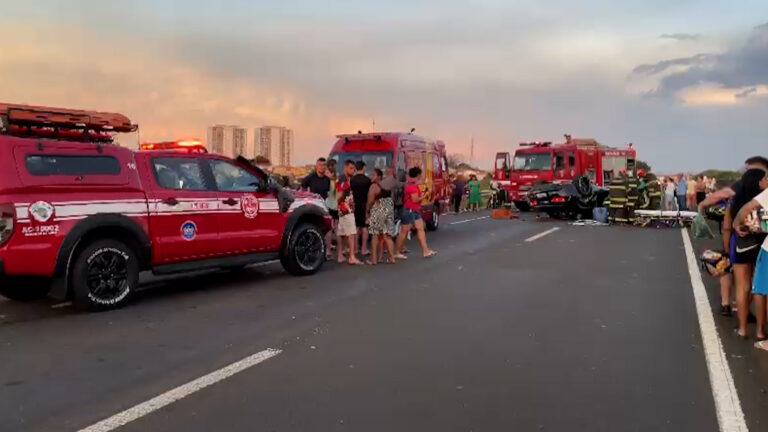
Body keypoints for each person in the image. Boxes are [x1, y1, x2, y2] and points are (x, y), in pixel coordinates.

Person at [728, 169, 767, 338]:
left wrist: (736, 226)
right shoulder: (763, 195)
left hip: (743, 243)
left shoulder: (740, 197)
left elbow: (729, 223)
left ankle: (743, 328)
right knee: (759, 286)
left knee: (743, 286)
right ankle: (760, 329)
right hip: (761, 242)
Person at [396, 167, 436, 258]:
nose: (421, 176)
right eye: (420, 175)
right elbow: (415, 200)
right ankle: (397, 252)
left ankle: (426, 251)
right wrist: (424, 196)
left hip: (414, 210)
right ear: (417, 175)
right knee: (404, 231)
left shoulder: (411, 184)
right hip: (409, 210)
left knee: (420, 229)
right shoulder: (412, 186)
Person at [366, 169, 397, 265]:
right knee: (387, 235)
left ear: (379, 176)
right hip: (388, 210)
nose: (371, 176)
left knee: (375, 235)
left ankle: (374, 260)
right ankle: (392, 258)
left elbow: (370, 201)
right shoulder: (388, 186)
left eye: (373, 174)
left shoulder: (374, 186)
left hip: (377, 210)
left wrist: (367, 211)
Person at [336, 160, 362, 265]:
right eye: (351, 168)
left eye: (354, 168)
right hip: (346, 210)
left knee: (342, 233)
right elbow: (339, 194)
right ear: (345, 167)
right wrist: (343, 205)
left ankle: (340, 256)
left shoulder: (347, 178)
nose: (353, 170)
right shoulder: (343, 178)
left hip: (344, 209)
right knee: (351, 233)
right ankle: (352, 257)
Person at [350, 161, 372, 256]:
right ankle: (364, 249)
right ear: (363, 168)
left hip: (354, 205)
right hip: (365, 205)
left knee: (356, 227)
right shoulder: (368, 180)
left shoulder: (352, 180)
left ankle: (355, 249)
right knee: (365, 227)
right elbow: (370, 194)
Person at [324, 165, 339, 261]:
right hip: (335, 206)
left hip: (330, 206)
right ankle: (340, 249)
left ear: (332, 173)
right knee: (336, 228)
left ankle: (328, 250)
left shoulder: (329, 182)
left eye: (327, 172)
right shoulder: (336, 182)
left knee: (329, 229)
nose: (325, 174)